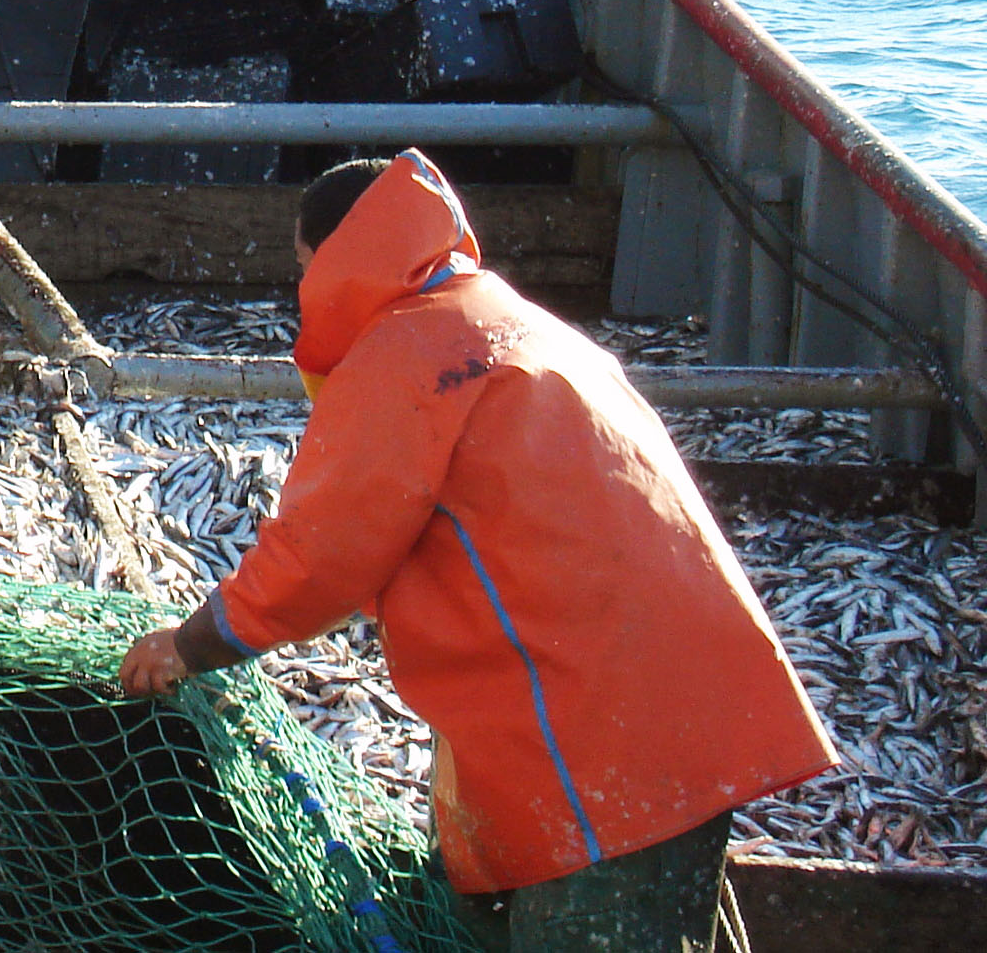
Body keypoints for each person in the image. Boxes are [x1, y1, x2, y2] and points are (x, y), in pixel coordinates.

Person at [120, 149, 838, 950]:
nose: (300, 289)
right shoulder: (509, 319)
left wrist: (190, 646)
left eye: (302, 266)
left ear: (334, 257)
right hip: (693, 708)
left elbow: (322, 557)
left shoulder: (405, 353)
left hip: (602, 744)